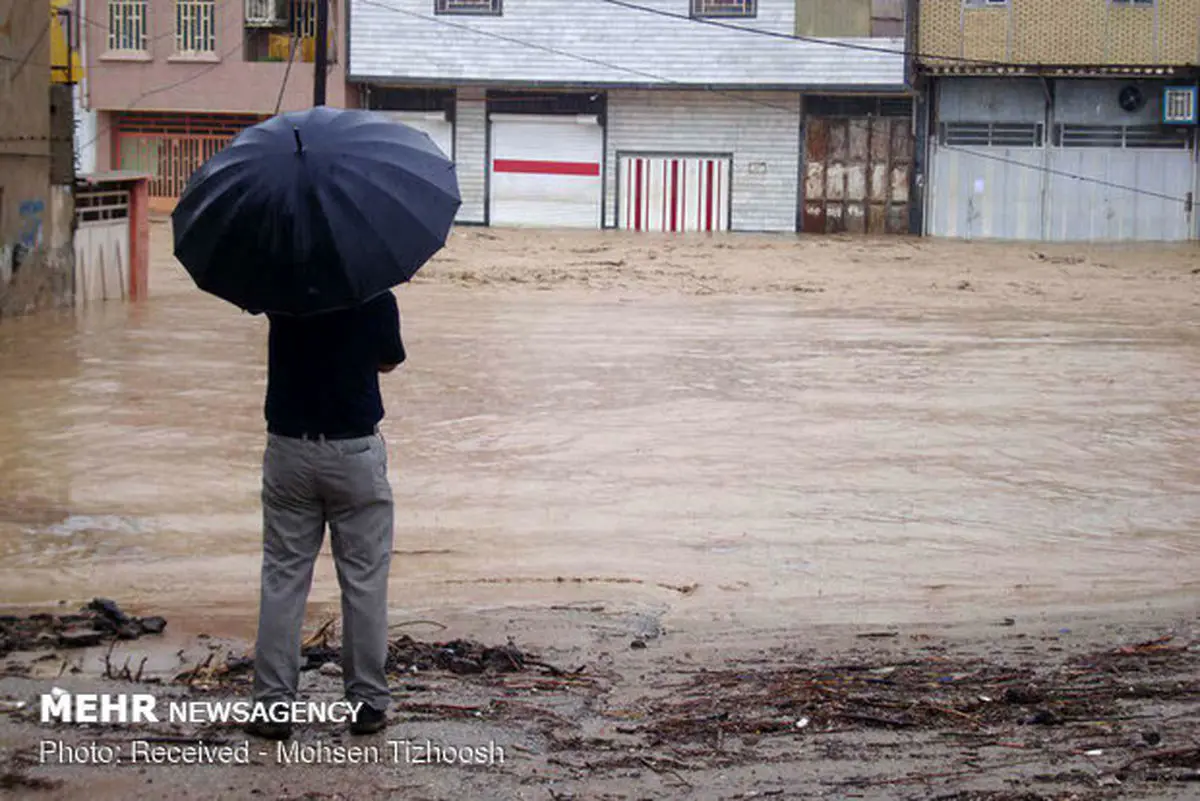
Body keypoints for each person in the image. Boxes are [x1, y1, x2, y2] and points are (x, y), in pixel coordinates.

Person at [244, 290, 405, 741]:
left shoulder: (282, 289)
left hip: (289, 448)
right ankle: (367, 703)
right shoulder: (374, 292)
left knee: (283, 577)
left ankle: (272, 707)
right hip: (354, 450)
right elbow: (389, 360)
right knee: (364, 580)